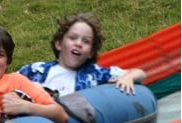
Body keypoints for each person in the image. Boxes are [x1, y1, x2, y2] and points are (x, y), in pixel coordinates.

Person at [17, 12, 146, 96]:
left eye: (86, 41)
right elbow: (6, 82)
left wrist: (128, 77)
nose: (78, 43)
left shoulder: (94, 74)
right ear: (59, 44)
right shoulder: (36, 70)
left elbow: (140, 73)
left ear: (90, 52)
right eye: (72, 38)